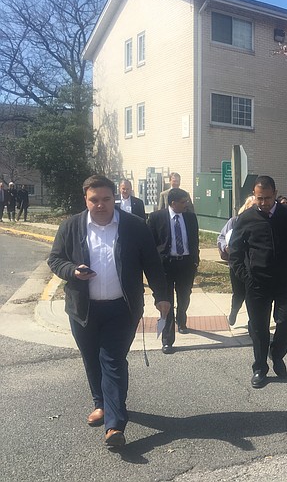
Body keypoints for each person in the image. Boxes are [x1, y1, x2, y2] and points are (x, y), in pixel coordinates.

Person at [47, 175, 170, 448]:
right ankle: (100, 403)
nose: (100, 205)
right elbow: (55, 259)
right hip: (83, 309)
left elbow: (152, 263)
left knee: (112, 360)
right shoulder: (71, 226)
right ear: (85, 200)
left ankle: (114, 425)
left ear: (114, 197)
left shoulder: (134, 227)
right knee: (92, 358)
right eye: (94, 200)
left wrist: (161, 297)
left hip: (122, 308)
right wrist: (72, 271)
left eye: (106, 199)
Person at [228, 176, 287, 388]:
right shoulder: (246, 218)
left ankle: (277, 353)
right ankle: (259, 367)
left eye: (267, 198)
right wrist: (246, 277)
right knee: (258, 328)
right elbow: (235, 252)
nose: (263, 202)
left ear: (275, 193)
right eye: (259, 198)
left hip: (286, 281)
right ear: (254, 196)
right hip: (257, 283)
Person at [148, 188, 200, 354]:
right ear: (173, 203)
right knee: (166, 301)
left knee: (184, 296)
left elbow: (195, 240)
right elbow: (150, 243)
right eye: (183, 202)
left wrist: (195, 261)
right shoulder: (157, 217)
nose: (186, 205)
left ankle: (182, 320)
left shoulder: (190, 217)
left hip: (185, 264)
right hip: (166, 265)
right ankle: (167, 339)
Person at [217, 195, 255, 326]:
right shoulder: (234, 221)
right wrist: (225, 248)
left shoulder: (261, 222)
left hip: (254, 265)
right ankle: (234, 311)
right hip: (237, 264)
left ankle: (253, 323)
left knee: (253, 296)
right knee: (239, 293)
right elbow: (222, 237)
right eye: (252, 206)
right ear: (246, 207)